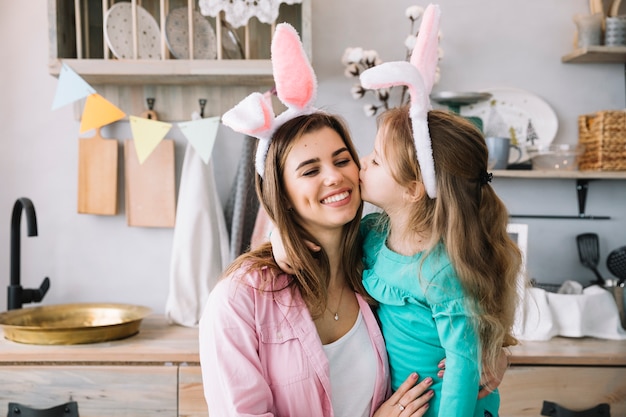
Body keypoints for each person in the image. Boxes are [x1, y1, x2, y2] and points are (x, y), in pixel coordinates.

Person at [271, 5, 521, 417]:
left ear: (411, 189)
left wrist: (495, 353)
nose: (360, 163)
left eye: (376, 161)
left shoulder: (442, 271)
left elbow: (461, 370)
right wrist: (280, 236)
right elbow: (311, 232)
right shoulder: (371, 232)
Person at [199, 23, 435, 417]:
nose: (334, 176)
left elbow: (457, 286)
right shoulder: (240, 300)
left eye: (342, 159)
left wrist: (490, 355)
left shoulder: (377, 261)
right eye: (309, 170)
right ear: (282, 194)